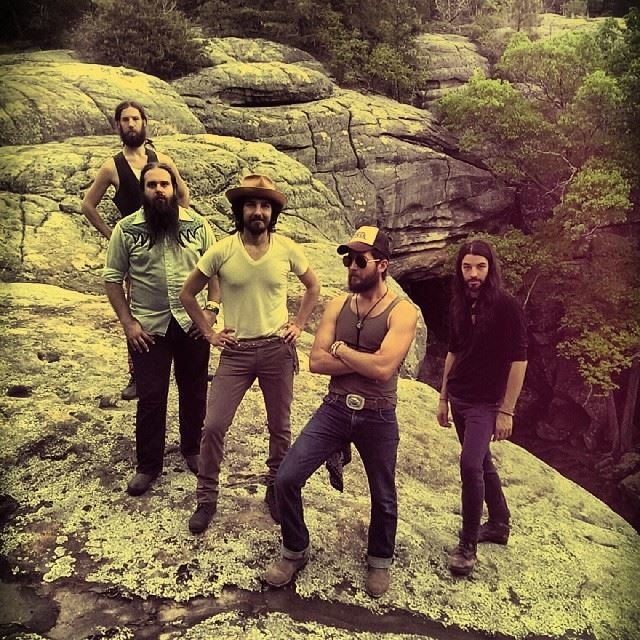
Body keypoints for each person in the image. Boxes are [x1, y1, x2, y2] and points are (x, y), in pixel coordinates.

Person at [263, 226, 418, 599]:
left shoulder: (402, 311)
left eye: (360, 260)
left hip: (378, 414)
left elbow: (384, 369)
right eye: (348, 259)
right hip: (335, 409)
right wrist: (365, 359)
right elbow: (316, 361)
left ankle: (379, 559)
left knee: (383, 494)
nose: (351, 267)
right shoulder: (337, 305)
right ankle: (294, 549)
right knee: (286, 478)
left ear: (382, 265)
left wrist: (343, 350)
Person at [179, 174, 320, 532]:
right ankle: (206, 499)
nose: (258, 211)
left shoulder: (287, 248)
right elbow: (187, 293)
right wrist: (209, 332)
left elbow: (313, 286)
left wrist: (299, 323)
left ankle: (276, 488)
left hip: (276, 349)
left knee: (280, 427)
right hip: (236, 352)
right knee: (213, 425)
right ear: (240, 210)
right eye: (251, 205)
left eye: (265, 206)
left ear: (273, 213)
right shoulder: (222, 250)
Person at [103, 162, 218, 497]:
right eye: (151, 185)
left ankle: (192, 448)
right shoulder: (126, 230)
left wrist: (211, 311)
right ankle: (148, 465)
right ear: (143, 190)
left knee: (194, 390)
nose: (159, 190)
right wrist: (128, 323)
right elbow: (112, 278)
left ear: (174, 188)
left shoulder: (198, 225)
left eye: (164, 184)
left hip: (191, 324)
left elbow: (216, 272)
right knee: (151, 397)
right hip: (148, 328)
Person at [82, 100, 190, 401]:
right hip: (137, 249)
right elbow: (88, 205)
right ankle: (138, 374)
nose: (131, 124)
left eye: (135, 119)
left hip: (169, 242)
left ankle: (188, 361)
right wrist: (113, 236)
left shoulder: (162, 159)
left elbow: (183, 194)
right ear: (118, 125)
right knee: (136, 310)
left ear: (144, 123)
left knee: (181, 296)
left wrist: (180, 224)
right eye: (125, 120)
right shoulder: (112, 166)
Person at [436, 239, 527, 576]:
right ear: (460, 270)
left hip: (485, 404)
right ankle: (499, 523)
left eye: (480, 267)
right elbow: (453, 351)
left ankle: (467, 545)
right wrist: (443, 397)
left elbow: (519, 360)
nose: (473, 274)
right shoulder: (459, 304)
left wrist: (507, 410)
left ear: (490, 269)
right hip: (459, 397)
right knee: (483, 462)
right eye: (467, 267)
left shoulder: (507, 306)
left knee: (470, 465)